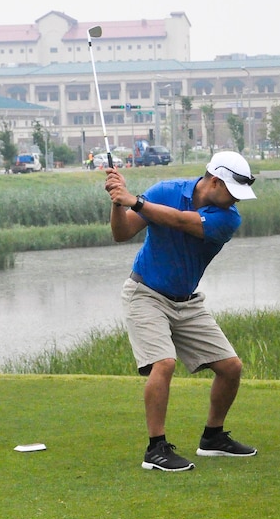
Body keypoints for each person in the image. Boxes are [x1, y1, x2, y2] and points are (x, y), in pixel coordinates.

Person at [105, 150, 258, 471]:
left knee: (231, 367)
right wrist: (118, 202)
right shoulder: (166, 191)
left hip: (187, 301)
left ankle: (213, 438)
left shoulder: (228, 218)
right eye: (233, 192)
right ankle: (156, 449)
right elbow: (121, 233)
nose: (236, 201)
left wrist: (135, 201)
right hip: (144, 293)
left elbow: (179, 221)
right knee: (163, 363)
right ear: (215, 181)